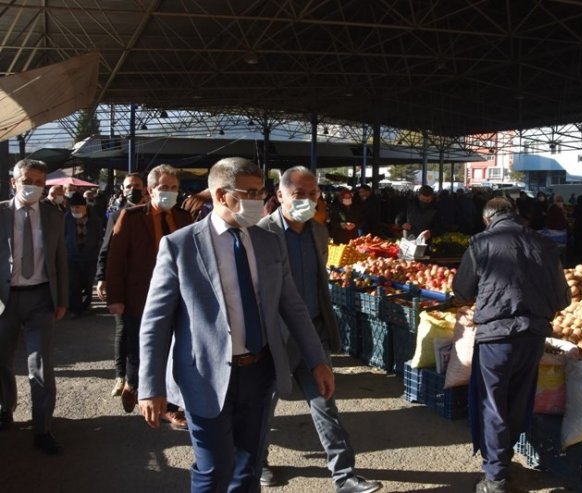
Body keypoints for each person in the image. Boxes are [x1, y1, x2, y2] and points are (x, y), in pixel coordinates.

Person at [137, 157, 335, 493]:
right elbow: (155, 322)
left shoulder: (269, 242)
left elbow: (294, 307)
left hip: (258, 373)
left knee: (248, 468)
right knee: (215, 470)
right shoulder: (180, 246)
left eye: (260, 192)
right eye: (250, 193)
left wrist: (318, 360)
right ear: (219, 195)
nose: (259, 200)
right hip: (205, 376)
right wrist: (150, 385)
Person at [257, 167, 383, 493]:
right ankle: (259, 462)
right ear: (281, 195)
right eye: (300, 195)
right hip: (276, 336)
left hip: (312, 332)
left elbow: (318, 282)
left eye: (313, 195)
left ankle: (344, 476)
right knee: (264, 405)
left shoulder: (318, 231)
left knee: (325, 404)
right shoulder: (261, 233)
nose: (308, 201)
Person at [452, 197, 570, 493]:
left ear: (488, 219)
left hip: (496, 337)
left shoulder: (480, 243)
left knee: (492, 403)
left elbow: (462, 290)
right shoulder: (545, 244)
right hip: (533, 336)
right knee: (518, 400)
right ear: (516, 215)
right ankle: (502, 458)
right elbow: (562, 299)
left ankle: (496, 477)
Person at [106, 165, 192, 429]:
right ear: (151, 189)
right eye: (164, 187)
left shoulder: (183, 218)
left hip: (178, 298)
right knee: (141, 349)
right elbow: (116, 259)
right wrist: (115, 297)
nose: (169, 192)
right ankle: (136, 384)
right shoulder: (130, 217)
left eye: (174, 188)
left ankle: (171, 406)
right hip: (139, 296)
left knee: (175, 351)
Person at [0, 159, 69, 455]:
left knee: (40, 365)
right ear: (13, 181)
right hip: (3, 299)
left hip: (41, 298)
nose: (34, 187)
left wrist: (63, 299)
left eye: (41, 182)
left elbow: (60, 260)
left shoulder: (54, 215)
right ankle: (6, 409)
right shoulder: (1, 212)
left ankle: (42, 428)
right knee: (1, 362)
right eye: (28, 180)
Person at [95, 173, 148, 397]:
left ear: (145, 188)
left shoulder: (154, 213)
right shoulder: (117, 214)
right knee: (124, 329)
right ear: (122, 189)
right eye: (128, 186)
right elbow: (106, 248)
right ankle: (121, 375)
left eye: (136, 186)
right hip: (123, 282)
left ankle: (143, 377)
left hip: (148, 283)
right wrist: (102, 277)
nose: (132, 189)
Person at [64, 192, 103, 318]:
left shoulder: (95, 218)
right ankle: (75, 309)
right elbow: (63, 235)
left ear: (85, 206)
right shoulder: (66, 218)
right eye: (73, 207)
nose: (75, 210)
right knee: (74, 283)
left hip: (90, 256)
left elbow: (100, 236)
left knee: (88, 283)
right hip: (72, 256)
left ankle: (86, 306)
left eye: (78, 207)